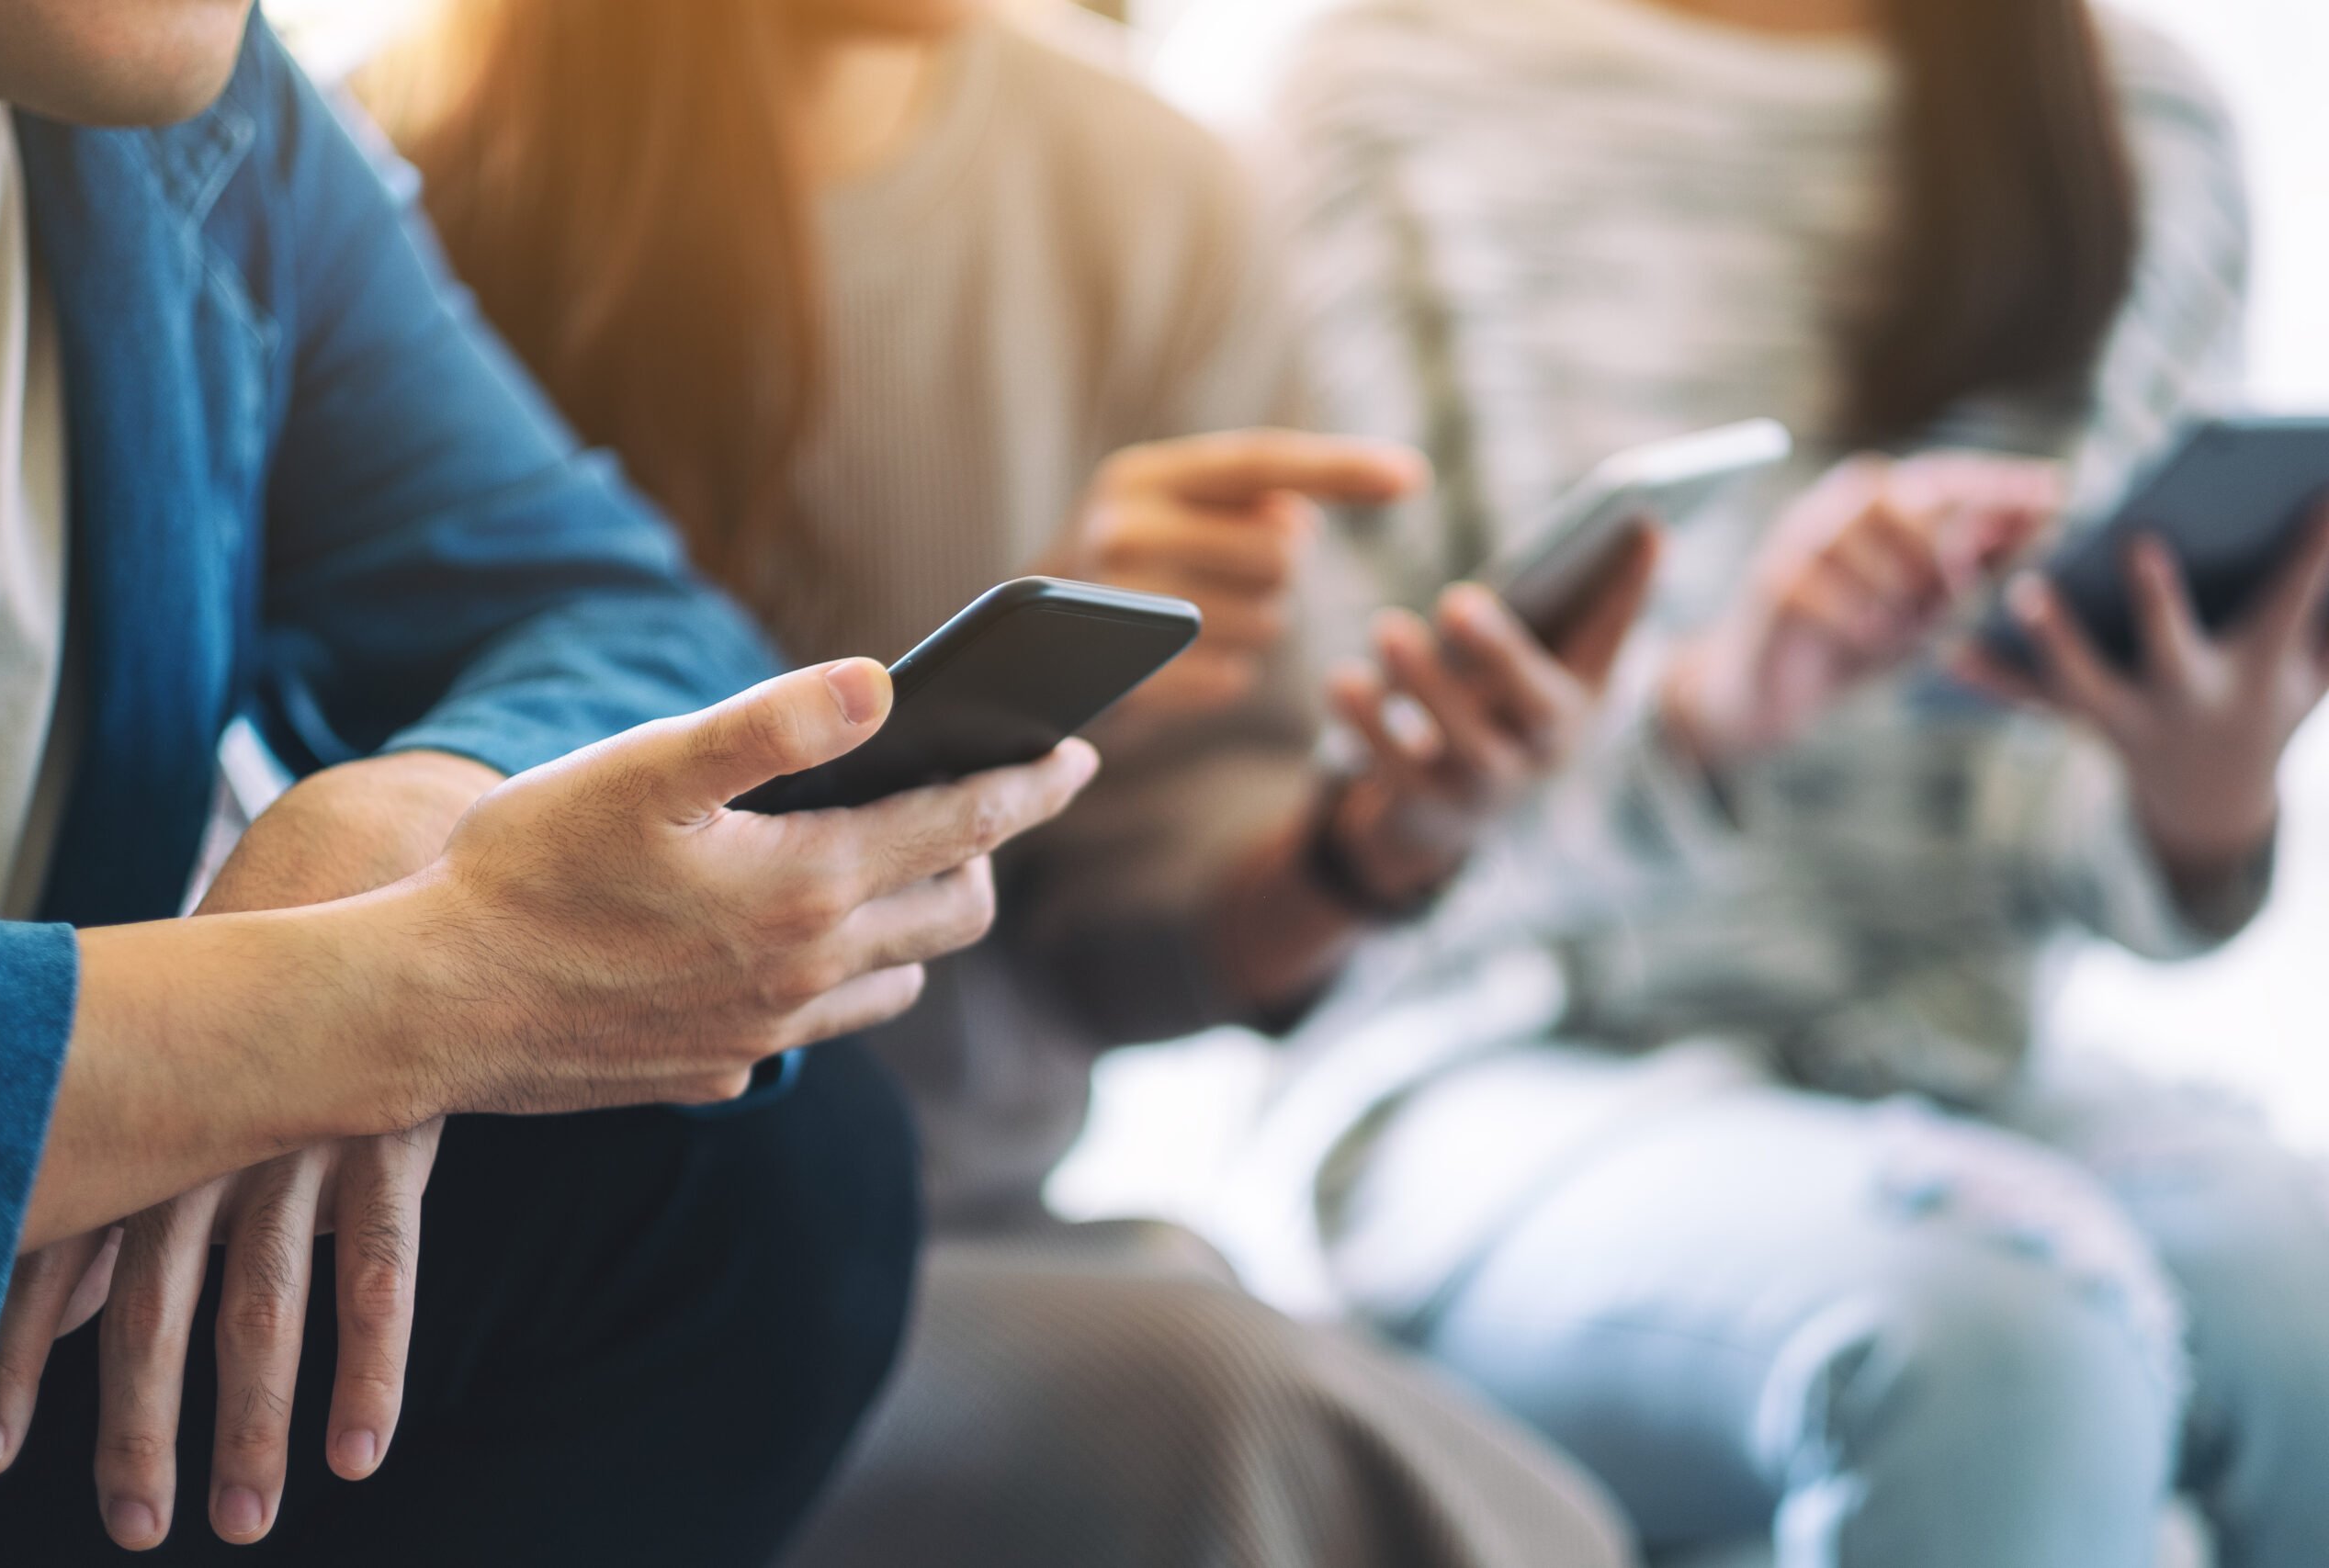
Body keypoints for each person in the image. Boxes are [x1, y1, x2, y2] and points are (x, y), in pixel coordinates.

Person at [372, 1, 1663, 1563]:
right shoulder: (404, 178)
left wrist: (1372, 845)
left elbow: (1114, 947)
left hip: (977, 1221)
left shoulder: (1153, 195)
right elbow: (418, 885)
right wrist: (995, 636)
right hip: (593, 1269)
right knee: (1274, 1433)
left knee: (1507, 1502)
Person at [0, 4, 1098, 1562]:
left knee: (761, 1179)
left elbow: (617, 606)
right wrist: (344, 1010)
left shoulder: (209, 130)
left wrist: (418, 800)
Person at [1242, 0, 2329, 1563]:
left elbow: (2061, 838)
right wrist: (1708, 720)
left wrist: (2199, 803)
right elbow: (1329, 838)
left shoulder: (2139, 119)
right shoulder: (1393, 98)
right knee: (2004, 1336)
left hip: (1955, 1049)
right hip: (1487, 1071)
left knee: (2300, 1295)